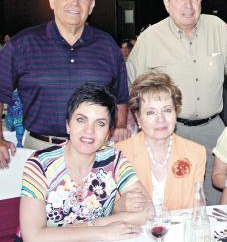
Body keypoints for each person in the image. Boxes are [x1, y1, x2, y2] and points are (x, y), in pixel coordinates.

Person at [126, 0, 227, 204]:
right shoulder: (150, 38)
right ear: (167, 4)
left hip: (213, 131)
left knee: (214, 199)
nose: (188, 5)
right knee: (174, 199)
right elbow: (130, 88)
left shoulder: (218, 29)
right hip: (168, 132)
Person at [0, 0, 130, 168]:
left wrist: (119, 127)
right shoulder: (22, 44)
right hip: (40, 150)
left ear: (91, 6)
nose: (74, 3)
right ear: (52, 1)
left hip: (95, 152)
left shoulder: (107, 45)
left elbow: (120, 96)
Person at [19, 83, 152, 242]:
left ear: (109, 132)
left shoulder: (114, 159)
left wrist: (94, 225)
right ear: (68, 125)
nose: (89, 131)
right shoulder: (39, 164)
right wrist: (102, 231)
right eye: (81, 120)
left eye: (100, 123)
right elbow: (32, 236)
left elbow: (148, 212)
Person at [115, 72, 206, 210]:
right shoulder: (118, 154)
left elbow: (197, 208)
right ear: (138, 118)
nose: (160, 119)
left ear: (176, 113)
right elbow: (111, 209)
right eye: (151, 112)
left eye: (167, 110)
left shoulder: (196, 153)